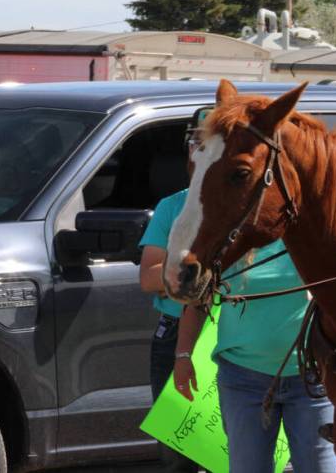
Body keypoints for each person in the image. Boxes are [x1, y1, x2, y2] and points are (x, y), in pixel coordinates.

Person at [172, 242, 336, 473]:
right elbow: (196, 304)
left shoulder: (309, 234)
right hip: (243, 380)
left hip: (311, 379)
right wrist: (183, 355)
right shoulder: (227, 243)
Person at [137, 125, 200, 473]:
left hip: (238, 334)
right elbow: (148, 278)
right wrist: (193, 271)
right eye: (195, 145)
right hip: (176, 332)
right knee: (177, 455)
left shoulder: (256, 207)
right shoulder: (171, 206)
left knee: (242, 450)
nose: (201, 153)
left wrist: (173, 275)